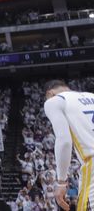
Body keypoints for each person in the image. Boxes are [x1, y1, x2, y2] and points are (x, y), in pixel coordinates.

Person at [44, 80, 94, 211]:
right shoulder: (91, 96)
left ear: (50, 93)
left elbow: (64, 140)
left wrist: (61, 182)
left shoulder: (54, 101)